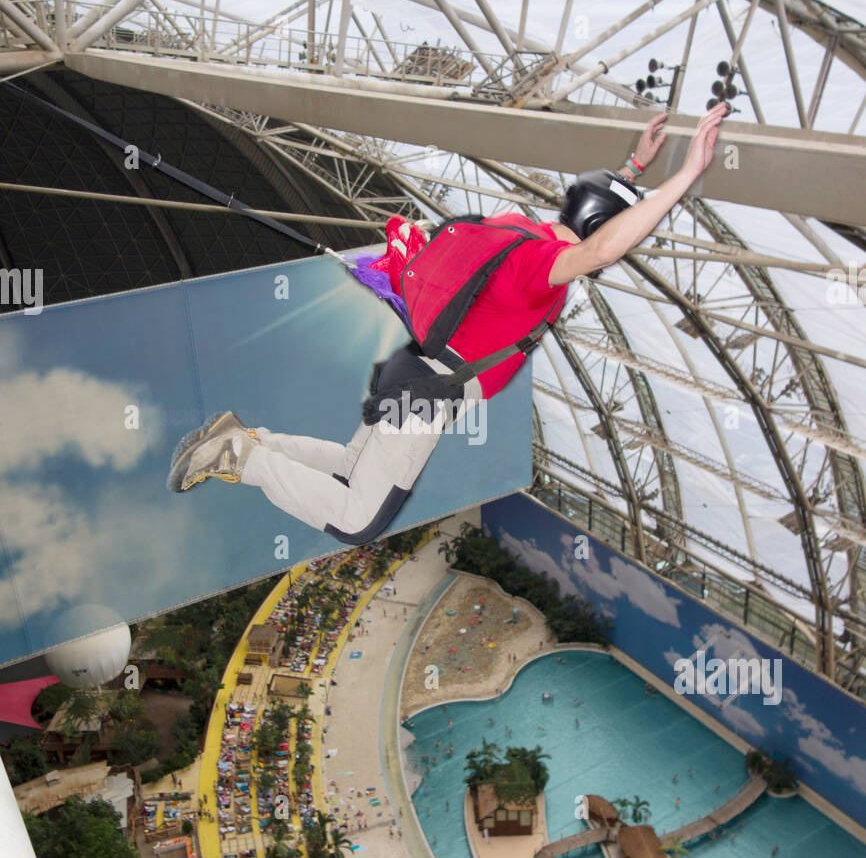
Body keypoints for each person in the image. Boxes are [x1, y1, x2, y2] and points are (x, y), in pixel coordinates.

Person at [167, 106, 729, 540]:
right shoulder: (539, 267)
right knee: (357, 519)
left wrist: (631, 169)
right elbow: (602, 248)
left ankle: (248, 439)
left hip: (414, 371)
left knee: (347, 471)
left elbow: (595, 228)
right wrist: (685, 176)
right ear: (602, 225)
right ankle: (239, 456)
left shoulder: (518, 228)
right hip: (429, 392)